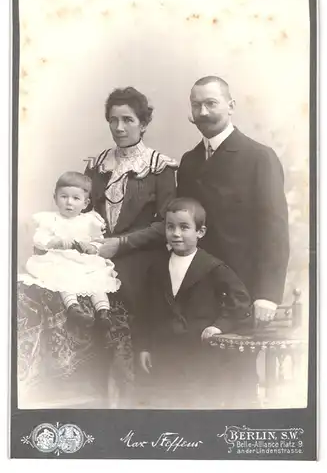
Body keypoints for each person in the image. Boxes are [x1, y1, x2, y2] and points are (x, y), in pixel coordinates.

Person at [84, 86, 178, 406]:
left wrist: (120, 244)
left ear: (143, 123)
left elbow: (164, 224)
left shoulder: (158, 167)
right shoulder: (97, 165)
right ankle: (97, 397)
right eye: (113, 120)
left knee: (129, 319)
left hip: (140, 260)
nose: (120, 128)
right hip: (97, 258)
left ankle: (131, 399)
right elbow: (85, 214)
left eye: (128, 120)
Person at [178, 76, 290, 321]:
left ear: (231, 106)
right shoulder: (189, 161)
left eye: (211, 103)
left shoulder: (259, 157)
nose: (203, 112)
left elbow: (275, 229)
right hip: (197, 290)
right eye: (196, 105)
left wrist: (268, 294)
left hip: (242, 291)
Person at [136, 198, 252, 409]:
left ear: (201, 232)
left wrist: (219, 326)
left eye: (184, 227)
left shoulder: (213, 267)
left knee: (197, 405)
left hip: (199, 355)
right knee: (166, 405)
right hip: (165, 353)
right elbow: (146, 311)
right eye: (170, 227)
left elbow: (241, 302)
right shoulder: (156, 267)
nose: (176, 233)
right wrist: (144, 347)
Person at [19, 171, 121, 328]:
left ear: (85, 203)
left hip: (82, 260)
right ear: (55, 198)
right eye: (64, 196)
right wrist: (55, 242)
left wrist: (92, 247)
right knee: (62, 276)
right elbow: (39, 240)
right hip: (59, 258)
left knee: (97, 278)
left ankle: (103, 313)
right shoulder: (49, 219)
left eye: (76, 198)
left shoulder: (90, 221)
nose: (69, 203)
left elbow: (99, 241)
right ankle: (73, 308)